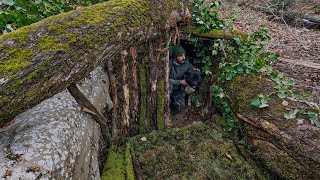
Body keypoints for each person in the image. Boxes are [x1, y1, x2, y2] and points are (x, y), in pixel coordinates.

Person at [169, 45, 199, 112]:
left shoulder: (186, 63)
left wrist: (196, 72)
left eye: (184, 55)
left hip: (177, 88)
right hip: (168, 87)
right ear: (175, 57)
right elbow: (164, 80)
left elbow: (194, 71)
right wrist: (180, 82)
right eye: (181, 56)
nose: (184, 57)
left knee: (180, 105)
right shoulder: (169, 64)